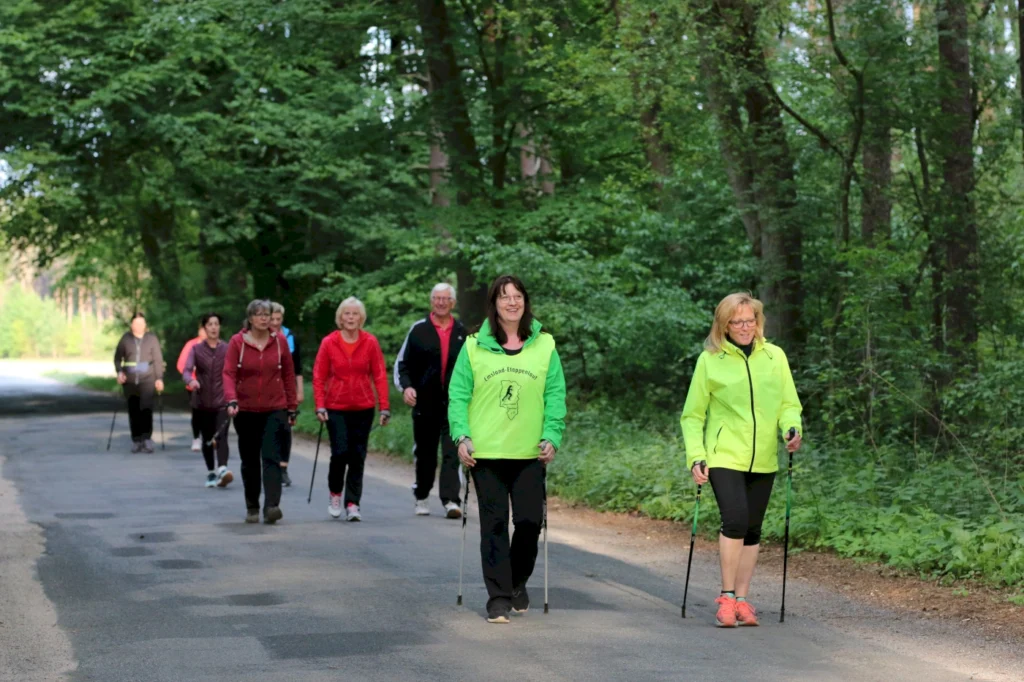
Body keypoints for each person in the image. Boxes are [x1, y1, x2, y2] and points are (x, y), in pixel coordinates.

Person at [680, 292, 803, 628]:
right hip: (724, 455)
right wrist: (696, 456)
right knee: (734, 520)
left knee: (752, 528)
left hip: (763, 457)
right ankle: (727, 596)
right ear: (725, 325)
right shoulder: (710, 361)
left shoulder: (774, 357)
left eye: (750, 320)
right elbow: (692, 416)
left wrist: (792, 428)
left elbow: (788, 404)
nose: (746, 327)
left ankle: (744, 600)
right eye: (738, 322)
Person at [448, 275, 566, 624]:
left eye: (517, 296)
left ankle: (517, 580)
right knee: (495, 524)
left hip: (530, 452)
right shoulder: (473, 346)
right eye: (504, 297)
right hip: (485, 452)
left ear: (525, 302)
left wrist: (552, 435)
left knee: (529, 522)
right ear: (494, 304)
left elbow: (555, 395)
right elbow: (458, 397)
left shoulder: (544, 344)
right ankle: (498, 597)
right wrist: (462, 437)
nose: (512, 302)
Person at [313, 297, 391, 522]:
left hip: (363, 407)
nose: (350, 318)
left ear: (361, 318)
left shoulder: (370, 342)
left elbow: (379, 375)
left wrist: (384, 406)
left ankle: (353, 503)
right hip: (335, 407)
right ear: (340, 317)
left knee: (357, 456)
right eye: (347, 314)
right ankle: (335, 493)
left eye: (355, 314)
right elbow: (319, 376)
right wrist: (319, 404)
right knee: (340, 453)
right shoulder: (329, 342)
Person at [393, 283, 468, 518]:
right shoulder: (418, 330)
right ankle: (422, 495)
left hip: (454, 405)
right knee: (425, 454)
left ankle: (451, 501)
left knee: (451, 452)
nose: (441, 302)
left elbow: (472, 369)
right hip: (425, 404)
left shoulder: (463, 333)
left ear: (453, 303)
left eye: (446, 299)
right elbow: (402, 365)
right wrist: (406, 388)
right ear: (431, 301)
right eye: (437, 298)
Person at [223, 299, 298, 524]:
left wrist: (292, 406)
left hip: (275, 407)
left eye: (267, 314)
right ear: (250, 318)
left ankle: (272, 506)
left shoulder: (280, 341)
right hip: (245, 409)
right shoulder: (238, 342)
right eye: (259, 314)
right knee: (250, 461)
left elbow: (288, 374)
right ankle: (252, 506)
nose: (264, 318)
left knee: (272, 457)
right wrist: (231, 399)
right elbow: (228, 373)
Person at [183, 313, 233, 488]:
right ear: (204, 328)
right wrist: (191, 381)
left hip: (222, 401)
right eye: (210, 324)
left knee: (222, 436)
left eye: (216, 324)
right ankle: (212, 472)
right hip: (202, 402)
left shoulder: (227, 349)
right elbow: (187, 370)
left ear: (219, 327)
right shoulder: (196, 350)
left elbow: (234, 372)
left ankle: (223, 469)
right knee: (207, 439)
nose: (213, 327)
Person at [114, 312, 165, 453]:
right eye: (136, 323)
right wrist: (119, 372)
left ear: (145, 325)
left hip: (148, 378)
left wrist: (159, 378)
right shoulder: (125, 339)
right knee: (133, 409)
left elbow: (158, 360)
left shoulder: (152, 339)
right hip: (130, 380)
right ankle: (136, 440)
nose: (139, 326)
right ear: (132, 325)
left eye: (141, 323)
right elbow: (117, 358)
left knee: (147, 408)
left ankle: (146, 438)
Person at [269, 302, 303, 487]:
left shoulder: (290, 337)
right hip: (268, 389)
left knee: (285, 428)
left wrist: (299, 390)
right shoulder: (262, 337)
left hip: (286, 388)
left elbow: (297, 366)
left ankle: (283, 468)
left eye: (278, 319)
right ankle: (270, 466)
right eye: (272, 319)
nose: (274, 322)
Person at [177, 321, 208, 452]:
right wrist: (191, 378)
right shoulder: (191, 344)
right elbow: (181, 365)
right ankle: (196, 438)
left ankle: (209, 438)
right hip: (194, 385)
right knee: (197, 413)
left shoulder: (217, 345)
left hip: (211, 385)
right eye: (202, 329)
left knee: (211, 412)